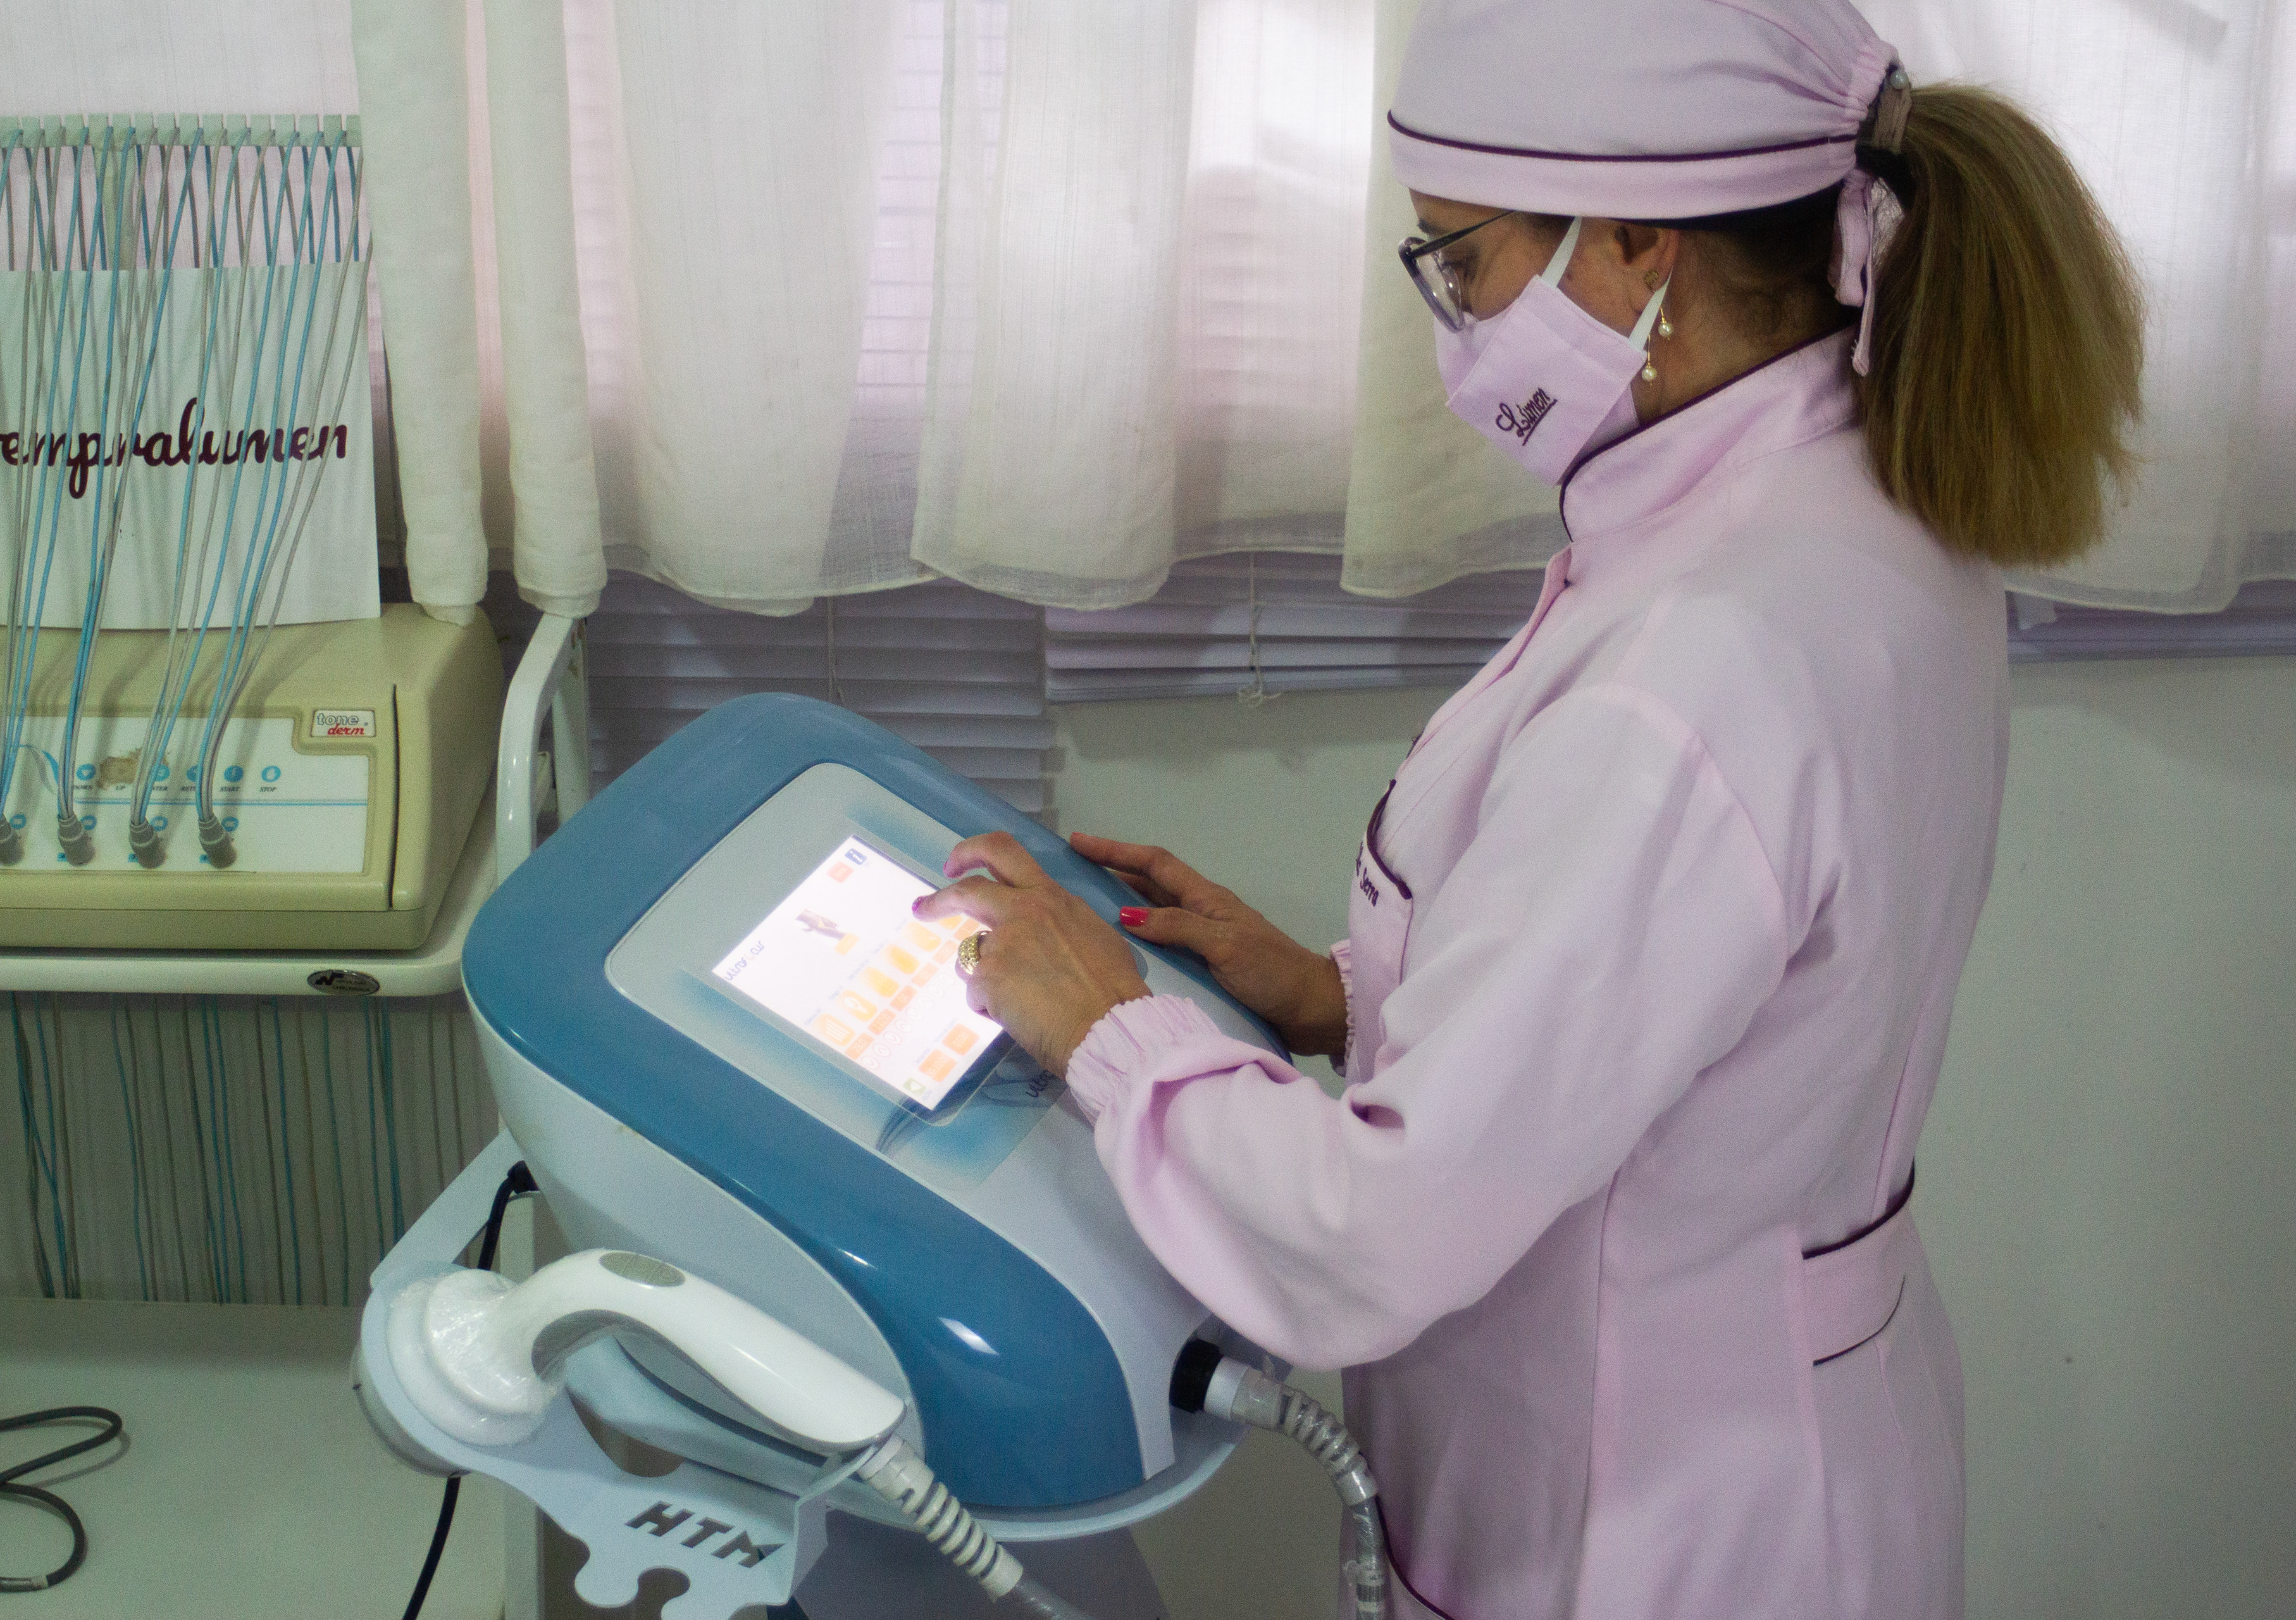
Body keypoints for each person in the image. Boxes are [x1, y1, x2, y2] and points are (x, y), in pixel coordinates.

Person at [913, 1, 2143, 1615]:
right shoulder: (1858, 502)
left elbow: (1379, 1232)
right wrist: (1347, 994)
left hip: (1648, 1522)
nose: (1456, 322)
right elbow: (1703, 1012)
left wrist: (1110, 1030)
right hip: (1787, 1442)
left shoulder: (1699, 662)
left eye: (1464, 259)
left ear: (1636, 245)